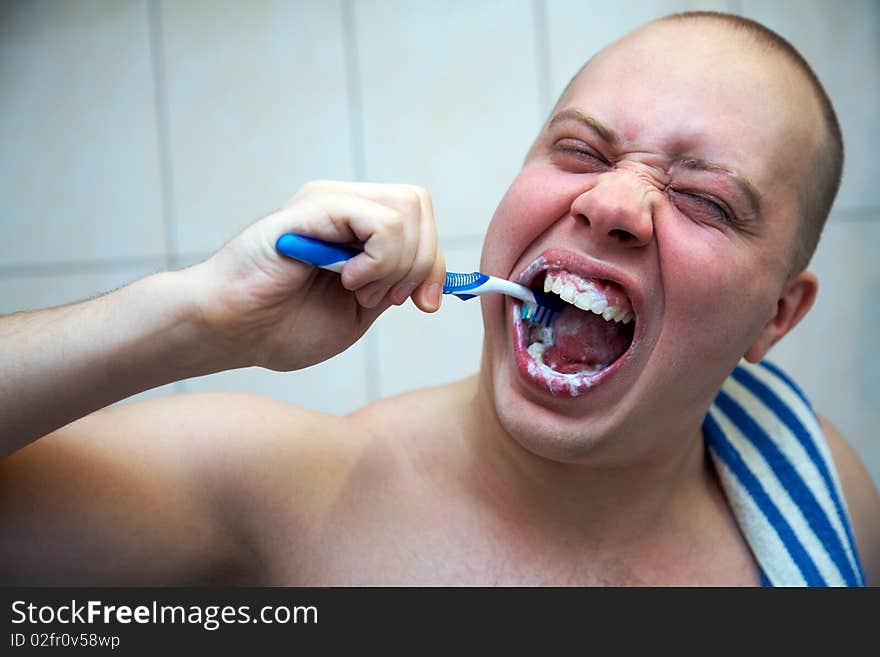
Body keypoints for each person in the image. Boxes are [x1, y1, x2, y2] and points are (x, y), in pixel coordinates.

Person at [1, 11, 877, 586]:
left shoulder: (814, 483)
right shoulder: (283, 493)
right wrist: (199, 316)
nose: (610, 202)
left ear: (776, 317)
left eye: (705, 200)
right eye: (579, 150)